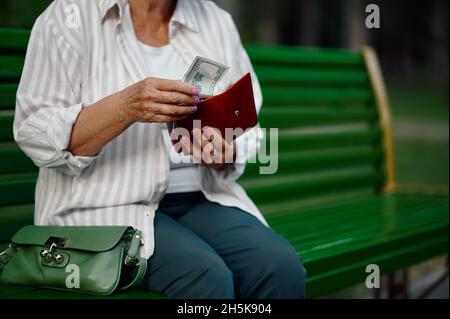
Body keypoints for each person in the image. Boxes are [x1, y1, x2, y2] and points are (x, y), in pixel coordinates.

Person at [14, 0, 306, 299]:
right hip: (104, 205)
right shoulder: (68, 16)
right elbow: (35, 133)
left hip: (199, 197)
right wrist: (124, 107)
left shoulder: (215, 21)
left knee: (279, 267)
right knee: (205, 277)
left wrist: (224, 151)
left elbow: (247, 124)